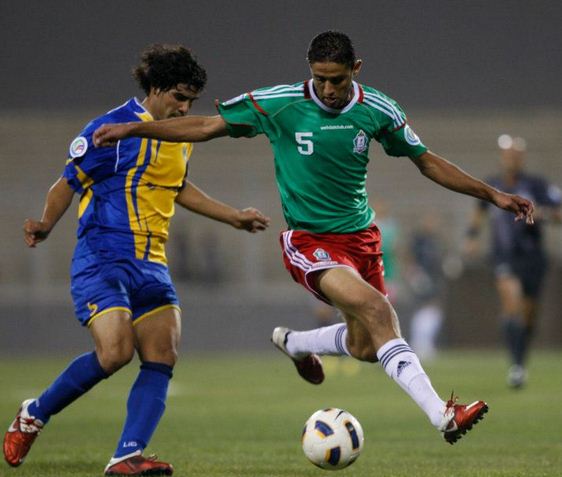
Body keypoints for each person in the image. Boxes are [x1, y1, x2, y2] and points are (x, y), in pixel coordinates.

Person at [93, 31, 536, 445]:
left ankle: (296, 343)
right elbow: (207, 127)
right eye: (319, 78)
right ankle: (443, 416)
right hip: (309, 241)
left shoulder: (377, 109)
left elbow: (427, 161)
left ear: (356, 69)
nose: (327, 89)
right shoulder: (281, 103)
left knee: (366, 346)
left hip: (362, 241)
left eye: (336, 80)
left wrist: (492, 194)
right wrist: (134, 128)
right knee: (379, 310)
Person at [3, 44, 269, 476]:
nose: (184, 108)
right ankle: (34, 413)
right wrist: (47, 223)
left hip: (151, 262)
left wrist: (233, 216)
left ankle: (126, 456)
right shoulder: (110, 128)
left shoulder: (179, 137)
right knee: (114, 353)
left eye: (191, 101)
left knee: (163, 354)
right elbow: (67, 181)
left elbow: (177, 187)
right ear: (156, 88)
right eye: (179, 97)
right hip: (102, 258)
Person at [465, 134, 561, 388]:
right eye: (508, 154)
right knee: (511, 303)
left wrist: (543, 213)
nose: (512, 159)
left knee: (528, 315)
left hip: (532, 257)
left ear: (522, 158)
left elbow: (558, 212)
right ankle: (516, 367)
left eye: (516, 155)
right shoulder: (493, 185)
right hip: (504, 255)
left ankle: (520, 360)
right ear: (502, 157)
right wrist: (472, 237)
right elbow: (479, 211)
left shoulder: (536, 185)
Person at [407, 213, 448, 360]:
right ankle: (419, 343)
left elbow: (440, 258)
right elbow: (409, 256)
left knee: (434, 307)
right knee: (423, 306)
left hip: (434, 277)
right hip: (422, 277)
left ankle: (425, 343)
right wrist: (414, 273)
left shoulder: (436, 240)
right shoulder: (418, 239)